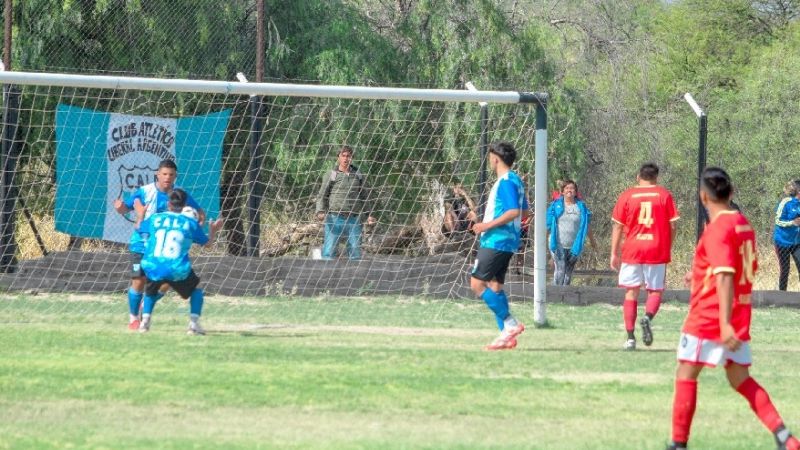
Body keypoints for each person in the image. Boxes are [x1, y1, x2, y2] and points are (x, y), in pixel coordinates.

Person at [666, 167, 800, 450]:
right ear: (732, 193)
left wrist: (724, 324)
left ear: (703, 196)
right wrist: (699, 275)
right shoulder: (743, 224)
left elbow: (726, 275)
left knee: (685, 374)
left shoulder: (718, 228)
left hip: (712, 316)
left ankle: (678, 443)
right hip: (739, 314)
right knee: (740, 379)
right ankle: (785, 438)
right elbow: (741, 268)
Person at [113, 159, 205, 330]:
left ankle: (146, 305)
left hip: (162, 250)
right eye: (164, 174)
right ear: (158, 174)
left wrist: (194, 228)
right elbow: (126, 208)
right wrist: (119, 208)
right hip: (140, 245)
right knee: (138, 281)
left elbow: (200, 214)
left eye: (171, 174)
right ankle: (134, 318)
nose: (167, 177)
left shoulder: (179, 196)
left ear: (175, 176)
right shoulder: (145, 191)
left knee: (166, 280)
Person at [610, 163, 679, 350]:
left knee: (631, 292)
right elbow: (673, 226)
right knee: (655, 291)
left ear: (638, 176)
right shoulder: (664, 195)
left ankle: (630, 338)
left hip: (632, 249)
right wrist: (667, 245)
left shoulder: (627, 195)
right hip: (656, 248)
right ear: (656, 178)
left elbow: (617, 226)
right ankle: (647, 318)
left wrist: (614, 253)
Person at [136, 189, 223, 335]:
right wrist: (213, 230)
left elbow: (139, 228)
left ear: (168, 204)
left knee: (150, 292)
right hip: (177, 268)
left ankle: (144, 323)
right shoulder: (190, 222)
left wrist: (140, 214)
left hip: (152, 264)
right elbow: (207, 245)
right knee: (196, 292)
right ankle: (193, 325)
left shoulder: (156, 218)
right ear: (185, 205)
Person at [469, 141, 528, 351]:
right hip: (508, 241)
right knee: (495, 286)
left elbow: (513, 211)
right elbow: (524, 212)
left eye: (489, 157)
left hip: (496, 240)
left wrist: (486, 225)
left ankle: (510, 324)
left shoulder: (505, 181)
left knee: (476, 284)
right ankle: (505, 337)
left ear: (495, 158)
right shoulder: (517, 181)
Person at [315, 146, 376, 260]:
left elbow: (364, 196)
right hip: (334, 218)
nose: (346, 158)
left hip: (353, 219)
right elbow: (322, 194)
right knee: (329, 252)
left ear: (352, 158)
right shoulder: (332, 174)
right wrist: (320, 211)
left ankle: (355, 277)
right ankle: (326, 276)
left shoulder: (358, 174)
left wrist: (369, 215)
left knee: (355, 253)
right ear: (338, 157)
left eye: (348, 156)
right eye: (343, 155)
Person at [546, 179, 596, 285]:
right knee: (560, 270)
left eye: (572, 188)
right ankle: (556, 295)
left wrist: (593, 242)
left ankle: (564, 297)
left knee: (568, 273)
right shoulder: (555, 206)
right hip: (558, 244)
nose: (569, 190)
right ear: (562, 191)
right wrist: (543, 242)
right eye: (567, 188)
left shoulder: (581, 207)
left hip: (574, 246)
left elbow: (587, 226)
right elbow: (547, 225)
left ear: (576, 191)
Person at [772, 180, 800, 291]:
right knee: (785, 270)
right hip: (782, 242)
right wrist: (792, 223)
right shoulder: (785, 202)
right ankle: (781, 295)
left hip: (796, 243)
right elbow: (778, 220)